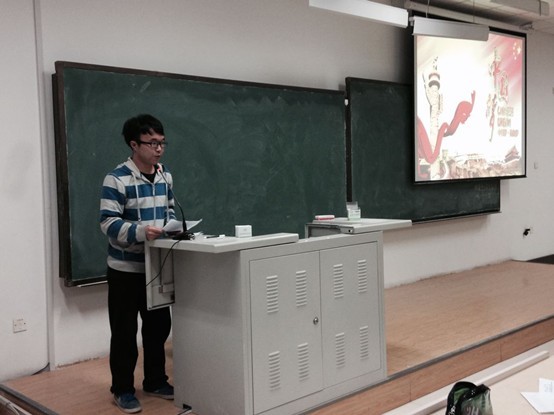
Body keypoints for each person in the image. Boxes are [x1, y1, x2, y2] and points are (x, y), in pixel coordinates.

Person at [99, 114, 175, 414]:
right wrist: (141, 232)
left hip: (156, 267)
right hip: (125, 270)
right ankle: (122, 389)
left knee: (158, 328)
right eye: (152, 143)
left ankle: (155, 381)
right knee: (124, 333)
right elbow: (108, 222)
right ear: (134, 144)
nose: (159, 149)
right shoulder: (117, 179)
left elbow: (169, 210)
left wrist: (172, 227)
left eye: (162, 143)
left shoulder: (165, 176)